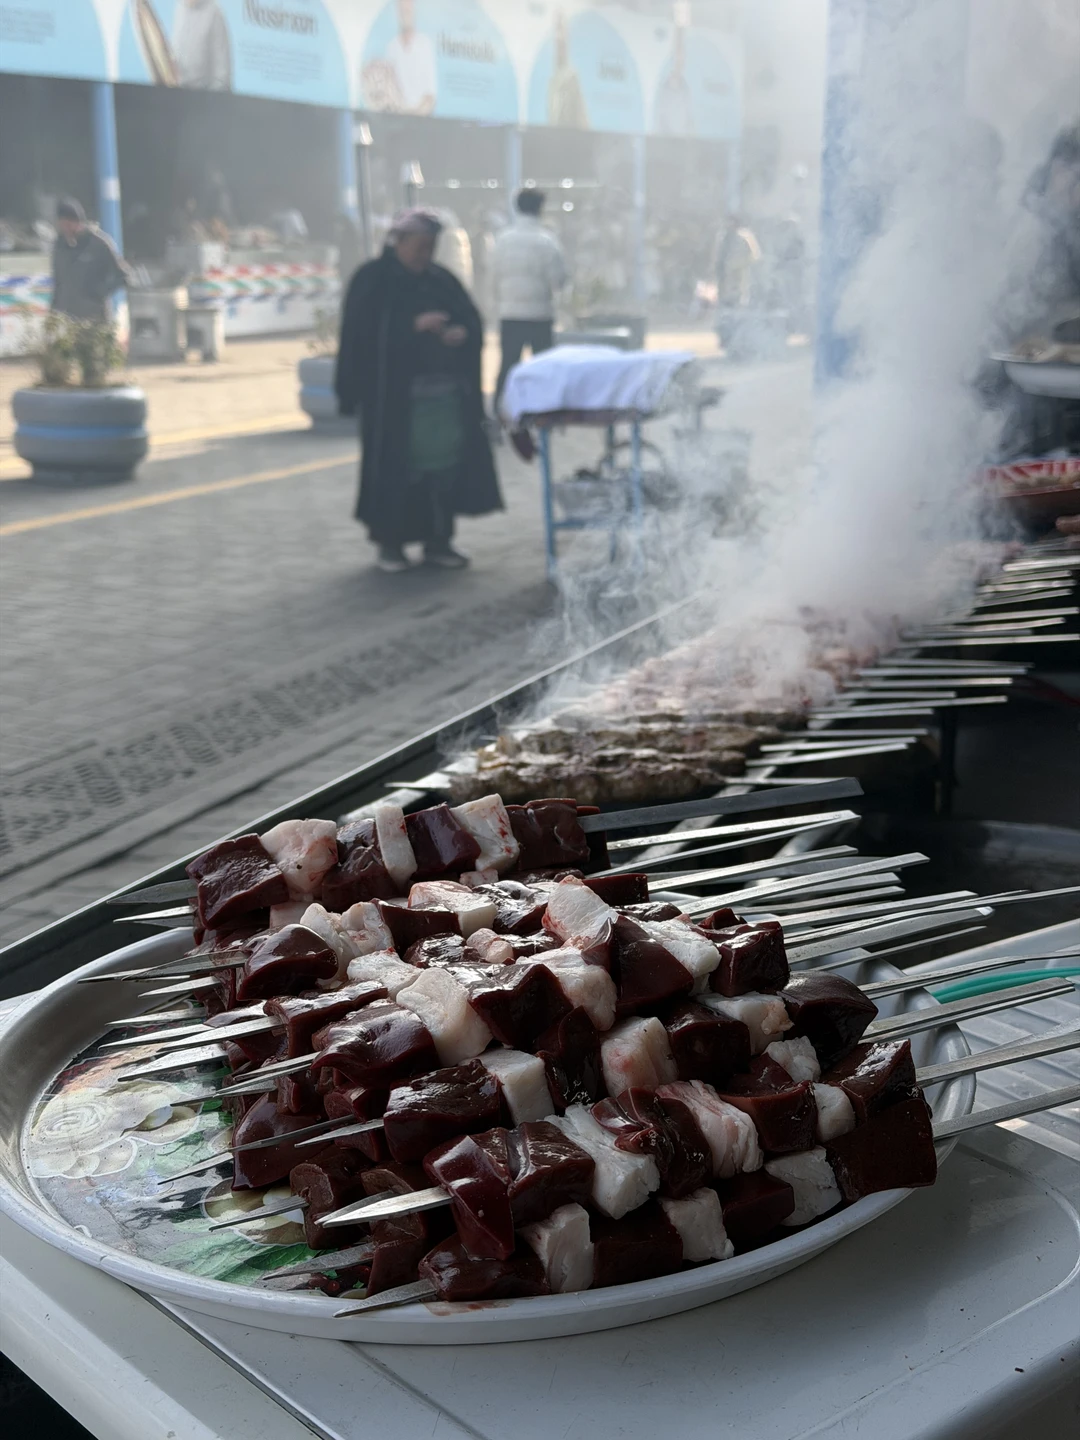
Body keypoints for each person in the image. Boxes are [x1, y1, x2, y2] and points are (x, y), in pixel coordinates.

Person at [335, 208, 502, 573]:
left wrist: (462, 333)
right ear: (399, 243)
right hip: (393, 402)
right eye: (418, 247)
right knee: (396, 470)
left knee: (441, 472)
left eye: (430, 247)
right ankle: (390, 544)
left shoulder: (441, 280)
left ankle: (439, 541)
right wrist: (411, 326)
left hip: (441, 400)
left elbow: (472, 320)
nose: (424, 255)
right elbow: (360, 336)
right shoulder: (373, 280)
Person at [492, 189, 568, 414]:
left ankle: (498, 411)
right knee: (544, 367)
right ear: (540, 209)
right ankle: (545, 411)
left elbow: (493, 277)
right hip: (540, 314)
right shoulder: (547, 241)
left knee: (507, 365)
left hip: (510, 313)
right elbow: (558, 280)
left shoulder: (502, 240)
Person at [51, 198, 131, 322]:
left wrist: (99, 292)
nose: (63, 229)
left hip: (95, 319)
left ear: (75, 222)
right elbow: (58, 282)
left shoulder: (98, 244)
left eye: (66, 224)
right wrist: (53, 314)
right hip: (69, 321)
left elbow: (123, 275)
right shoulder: (60, 246)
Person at [383, 0, 437, 115]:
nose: (405, 14)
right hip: (397, 118)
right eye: (402, 11)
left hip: (421, 118)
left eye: (407, 10)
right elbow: (389, 92)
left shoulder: (425, 44)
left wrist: (416, 115)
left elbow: (430, 95)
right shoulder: (392, 47)